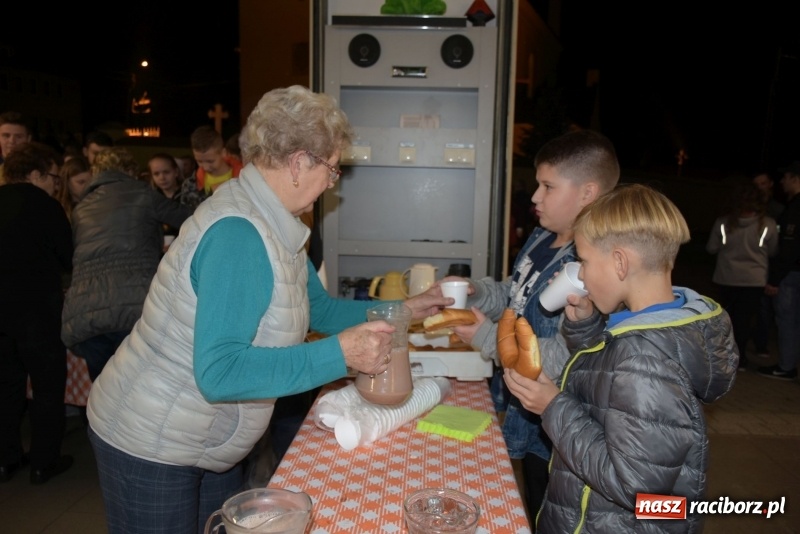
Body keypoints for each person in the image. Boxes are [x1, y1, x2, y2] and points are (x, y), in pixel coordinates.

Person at [84, 86, 451, 534]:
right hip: (149, 441)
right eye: (332, 170)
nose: (332, 183)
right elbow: (220, 372)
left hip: (204, 439)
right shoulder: (240, 235)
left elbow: (319, 312)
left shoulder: (279, 227)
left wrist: (405, 308)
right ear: (300, 163)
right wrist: (341, 355)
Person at [504, 183, 737, 533]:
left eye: (583, 261)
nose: (579, 275)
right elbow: (611, 389)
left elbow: (635, 487)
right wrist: (586, 329)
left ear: (620, 262)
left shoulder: (645, 358)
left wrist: (552, 407)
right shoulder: (655, 328)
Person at [449, 129, 620, 523]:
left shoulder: (590, 266)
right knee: (526, 500)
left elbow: (564, 355)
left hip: (556, 429)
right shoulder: (543, 237)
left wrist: (486, 337)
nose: (534, 197)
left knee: (552, 511)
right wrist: (477, 292)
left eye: (547, 186)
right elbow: (516, 293)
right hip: (519, 403)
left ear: (587, 193)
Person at [61, 147, 192, 381]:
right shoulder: (142, 193)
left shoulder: (81, 208)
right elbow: (191, 219)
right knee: (139, 394)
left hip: (86, 312)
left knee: (103, 397)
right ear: (130, 170)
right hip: (134, 307)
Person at [0, 142, 74, 485]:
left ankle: (6, 459)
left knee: (5, 386)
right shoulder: (45, 206)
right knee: (47, 387)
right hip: (37, 311)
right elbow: (66, 257)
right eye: (53, 178)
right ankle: (44, 462)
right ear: (35, 174)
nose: (55, 185)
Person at [706, 181, 778, 370]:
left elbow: (711, 248)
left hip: (726, 277)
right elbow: (772, 252)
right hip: (754, 280)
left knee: (726, 318)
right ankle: (740, 359)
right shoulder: (768, 225)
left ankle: (724, 357)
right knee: (744, 320)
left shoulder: (723, 223)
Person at [758, 161, 800, 380]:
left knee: (787, 321)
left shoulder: (794, 209)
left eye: (786, 178)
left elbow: (789, 248)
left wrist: (774, 279)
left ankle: (786, 367)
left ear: (795, 178)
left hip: (791, 274)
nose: (782, 182)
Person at [752, 170, 786, 359]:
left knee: (765, 308)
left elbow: (778, 246)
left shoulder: (779, 210)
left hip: (768, 267)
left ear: (771, 184)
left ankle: (761, 343)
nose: (759, 188)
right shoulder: (745, 210)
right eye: (756, 184)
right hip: (751, 268)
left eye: (763, 183)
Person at [180, 125, 243, 210]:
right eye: (199, 161)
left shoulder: (243, 178)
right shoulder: (190, 185)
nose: (205, 167)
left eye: (210, 161)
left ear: (223, 153)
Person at [147, 153, 187, 250]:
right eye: (156, 174)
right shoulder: (150, 198)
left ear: (176, 172)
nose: (162, 178)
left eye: (166, 172)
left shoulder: (188, 195)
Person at [0, 111, 34, 185]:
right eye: (6, 136)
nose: (12, 141)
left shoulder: (38, 169)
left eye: (18, 137)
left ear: (28, 139)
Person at [55, 155, 92, 221]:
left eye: (90, 181)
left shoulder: (96, 204)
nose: (87, 186)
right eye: (81, 182)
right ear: (67, 182)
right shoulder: (56, 208)